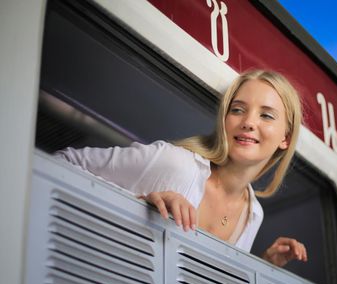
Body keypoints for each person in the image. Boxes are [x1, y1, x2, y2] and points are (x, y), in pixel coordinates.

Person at [56, 69, 307, 267]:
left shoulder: (253, 215)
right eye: (238, 110)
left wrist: (263, 266)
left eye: (266, 115)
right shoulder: (176, 164)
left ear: (285, 138)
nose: (248, 122)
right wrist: (137, 203)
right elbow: (63, 161)